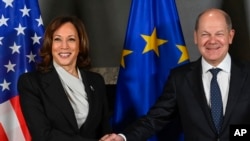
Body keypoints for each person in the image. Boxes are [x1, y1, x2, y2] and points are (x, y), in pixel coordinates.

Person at [100, 8, 250, 141]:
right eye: (205, 34)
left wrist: (236, 135)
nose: (212, 41)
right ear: (196, 37)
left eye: (219, 34)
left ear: (230, 36)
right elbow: (156, 118)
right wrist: (123, 137)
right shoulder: (180, 78)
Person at [18, 16, 112, 141]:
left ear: (80, 44)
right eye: (57, 39)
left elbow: (104, 131)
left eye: (71, 39)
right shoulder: (31, 83)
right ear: (50, 44)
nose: (64, 46)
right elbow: (43, 135)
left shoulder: (96, 81)